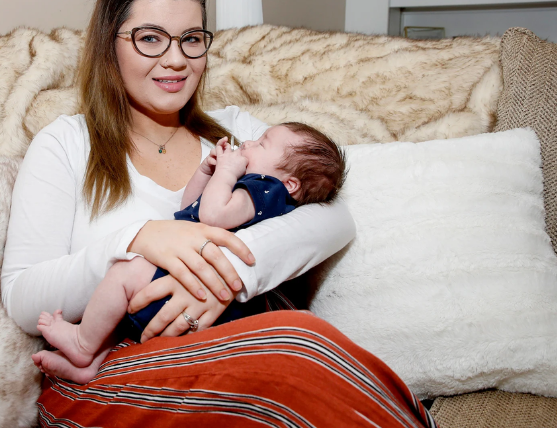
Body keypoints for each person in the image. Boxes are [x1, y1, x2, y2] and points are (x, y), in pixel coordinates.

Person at [2, 0, 437, 427]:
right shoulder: (66, 143)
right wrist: (137, 239)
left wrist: (230, 270)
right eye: (150, 38)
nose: (176, 60)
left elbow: (335, 217)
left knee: (301, 345)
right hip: (106, 371)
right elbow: (23, 295)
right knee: (295, 351)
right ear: (111, 46)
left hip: (234, 348)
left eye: (191, 39)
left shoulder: (238, 136)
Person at [31, 125, 347, 383]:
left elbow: (211, 216)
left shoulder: (267, 191)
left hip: (201, 293)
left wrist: (225, 171)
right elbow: (189, 208)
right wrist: (207, 171)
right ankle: (93, 362)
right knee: (123, 303)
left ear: (289, 184)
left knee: (124, 272)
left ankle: (84, 344)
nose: (249, 142)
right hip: (188, 284)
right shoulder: (250, 188)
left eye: (262, 144)